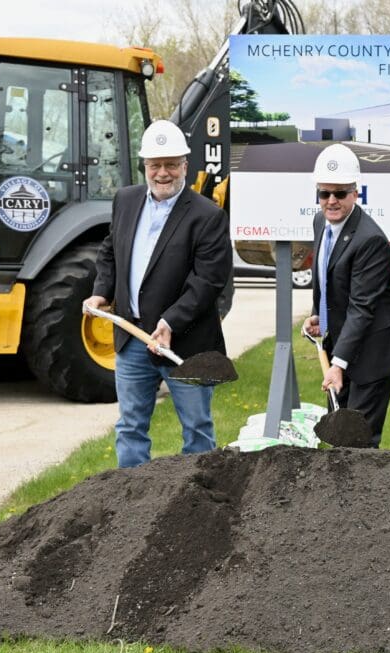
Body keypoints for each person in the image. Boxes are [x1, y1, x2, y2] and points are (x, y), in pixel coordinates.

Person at [83, 120, 231, 468]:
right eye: (155, 165)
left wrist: (170, 321)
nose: (162, 173)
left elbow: (208, 281)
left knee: (197, 430)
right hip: (132, 339)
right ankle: (131, 504)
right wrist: (101, 292)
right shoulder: (126, 200)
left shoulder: (207, 216)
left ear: (185, 165)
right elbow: (110, 251)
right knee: (130, 427)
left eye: (170, 164)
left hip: (185, 344)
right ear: (145, 166)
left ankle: (199, 500)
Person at [302, 144, 390, 447]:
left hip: (374, 351)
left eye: (340, 193)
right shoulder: (320, 222)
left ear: (355, 192)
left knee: (358, 439)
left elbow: (362, 307)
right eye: (325, 193)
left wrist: (338, 364)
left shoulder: (369, 240)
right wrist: (318, 315)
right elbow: (326, 279)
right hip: (345, 343)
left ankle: (362, 494)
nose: (331, 200)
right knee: (338, 431)